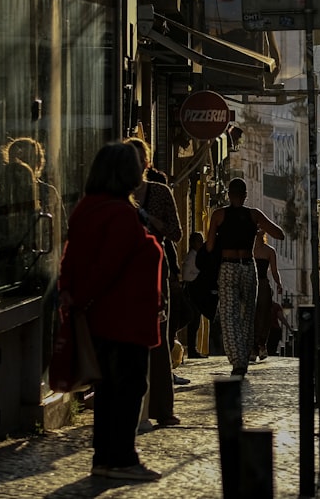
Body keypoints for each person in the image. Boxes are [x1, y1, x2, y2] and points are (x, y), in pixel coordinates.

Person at [57, 142, 163, 482]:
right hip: (122, 318)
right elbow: (108, 266)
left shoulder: (88, 208)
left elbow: (76, 260)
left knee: (108, 392)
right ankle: (120, 458)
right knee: (127, 389)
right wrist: (83, 299)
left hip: (104, 318)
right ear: (125, 173)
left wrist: (76, 300)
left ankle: (105, 457)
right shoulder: (118, 214)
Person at [125, 137, 184, 428]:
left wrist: (152, 222)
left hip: (155, 269)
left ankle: (162, 408)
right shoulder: (118, 194)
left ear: (147, 164)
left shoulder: (160, 193)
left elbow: (176, 233)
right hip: (124, 271)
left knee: (158, 338)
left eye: (137, 160)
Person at [205, 177, 285, 377]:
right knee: (248, 316)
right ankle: (245, 356)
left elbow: (209, 247)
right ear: (246, 195)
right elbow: (279, 234)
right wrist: (259, 228)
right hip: (249, 268)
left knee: (229, 317)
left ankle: (238, 361)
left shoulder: (218, 215)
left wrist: (219, 237)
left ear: (228, 195)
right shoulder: (254, 215)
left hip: (228, 268)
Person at [252, 228, 283, 361]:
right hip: (251, 282)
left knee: (264, 314)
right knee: (251, 314)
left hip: (263, 284)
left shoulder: (270, 251)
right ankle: (253, 347)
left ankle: (262, 344)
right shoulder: (249, 249)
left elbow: (275, 271)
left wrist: (279, 284)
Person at [181, 231, 208, 359]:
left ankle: (194, 349)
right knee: (193, 320)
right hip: (191, 292)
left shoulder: (198, 256)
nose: (201, 243)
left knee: (196, 321)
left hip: (197, 291)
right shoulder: (192, 256)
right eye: (199, 241)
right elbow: (186, 275)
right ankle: (192, 349)